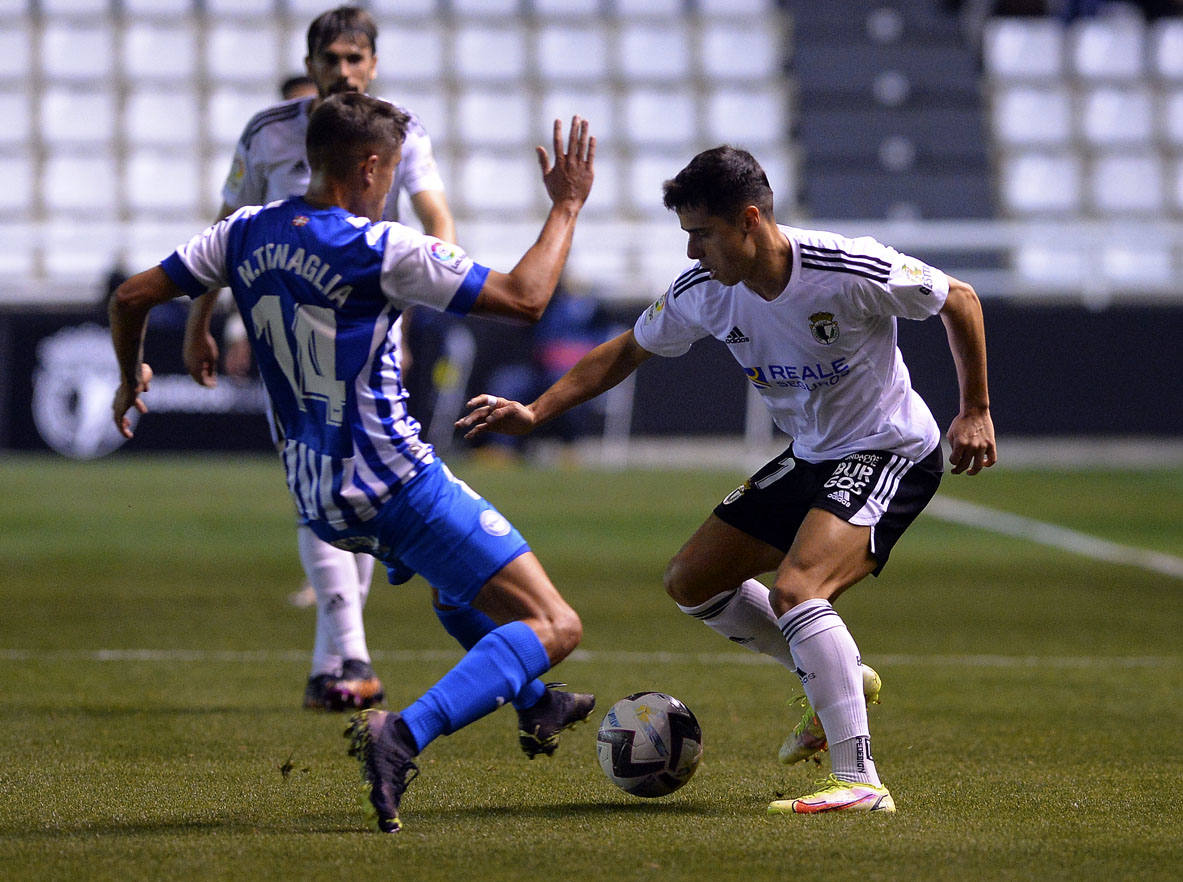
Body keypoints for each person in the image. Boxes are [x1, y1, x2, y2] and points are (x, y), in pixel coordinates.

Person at [458, 145, 997, 815]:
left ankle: (858, 780)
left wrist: (972, 410)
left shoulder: (844, 267)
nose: (691, 254)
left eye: (700, 236)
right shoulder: (705, 292)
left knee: (799, 591)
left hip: (888, 448)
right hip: (810, 454)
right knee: (692, 580)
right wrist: (536, 410)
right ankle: (834, 674)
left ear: (747, 221)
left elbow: (960, 299)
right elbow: (626, 349)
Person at [110, 94, 597, 833]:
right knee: (556, 625)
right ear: (370, 167)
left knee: (458, 594)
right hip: (395, 479)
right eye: (391, 171)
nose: (391, 185)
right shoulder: (380, 248)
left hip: (319, 500)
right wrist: (564, 206)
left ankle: (536, 704)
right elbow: (526, 298)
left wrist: (129, 375)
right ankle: (400, 734)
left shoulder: (242, 232)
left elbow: (132, 294)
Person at [184, 6, 457, 712]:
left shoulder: (402, 130)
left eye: (354, 59)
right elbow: (223, 229)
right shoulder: (267, 133)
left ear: (372, 65)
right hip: (289, 332)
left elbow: (435, 214)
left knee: (352, 489)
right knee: (320, 481)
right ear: (309, 65)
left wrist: (444, 276)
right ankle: (351, 655)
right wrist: (203, 318)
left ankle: (332, 663)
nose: (342, 72)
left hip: (372, 323)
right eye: (330, 59)